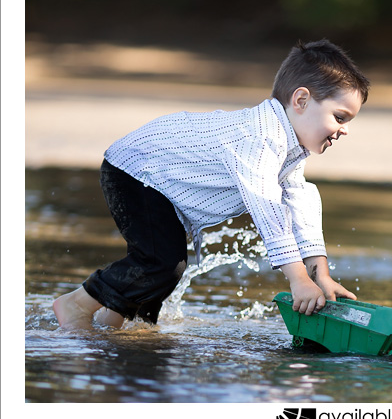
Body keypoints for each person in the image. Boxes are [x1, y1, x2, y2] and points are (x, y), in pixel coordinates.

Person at [53, 39, 370, 330]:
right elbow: (269, 209)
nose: (344, 130)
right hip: (138, 169)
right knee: (160, 262)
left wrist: (320, 275)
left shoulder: (289, 148)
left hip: (160, 183)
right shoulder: (259, 139)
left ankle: (111, 324)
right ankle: (76, 304)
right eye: (340, 117)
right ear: (301, 100)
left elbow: (299, 205)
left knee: (164, 273)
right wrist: (298, 280)